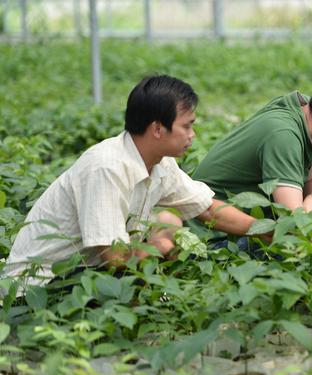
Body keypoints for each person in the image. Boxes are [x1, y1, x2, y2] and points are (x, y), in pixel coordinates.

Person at [2, 75, 264, 288]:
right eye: (187, 126)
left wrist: (271, 230)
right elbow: (114, 258)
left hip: (88, 273)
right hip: (41, 286)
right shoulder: (107, 167)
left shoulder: (160, 162)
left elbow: (207, 208)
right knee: (166, 236)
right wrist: (159, 249)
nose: (192, 135)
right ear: (158, 129)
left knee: (169, 224)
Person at [192, 75, 312, 214]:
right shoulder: (284, 135)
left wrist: (309, 207)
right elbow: (294, 223)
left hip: (256, 217)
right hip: (215, 232)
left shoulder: (306, 113)